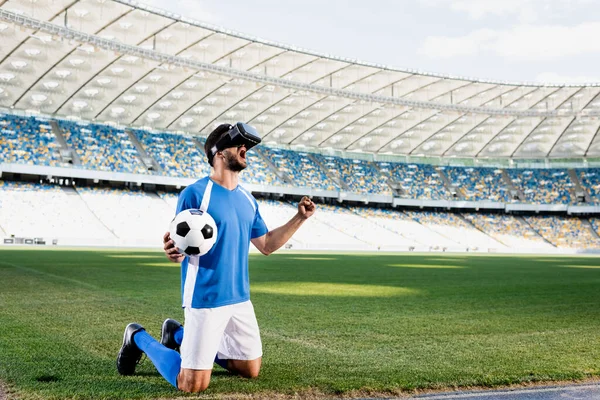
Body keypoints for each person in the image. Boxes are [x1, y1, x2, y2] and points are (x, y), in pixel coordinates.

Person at [116, 122, 316, 392]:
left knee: (249, 370)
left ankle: (175, 333)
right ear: (219, 154)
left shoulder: (247, 199)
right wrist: (172, 252)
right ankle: (137, 337)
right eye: (239, 145)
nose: (245, 149)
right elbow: (178, 248)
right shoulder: (195, 194)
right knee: (192, 385)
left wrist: (300, 218)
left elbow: (267, 244)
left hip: (239, 298)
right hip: (205, 298)